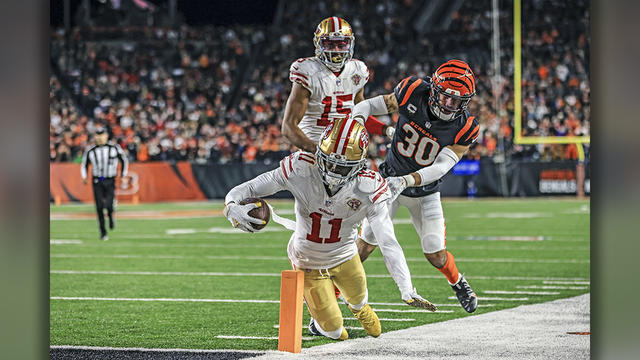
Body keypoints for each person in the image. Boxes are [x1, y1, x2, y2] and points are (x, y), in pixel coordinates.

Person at [224, 117, 436, 341]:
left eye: (342, 166)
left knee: (360, 301)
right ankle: (322, 323)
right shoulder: (301, 168)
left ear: (358, 165)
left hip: (345, 256)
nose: (333, 170)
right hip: (307, 261)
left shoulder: (368, 188)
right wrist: (230, 207)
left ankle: (359, 308)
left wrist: (406, 287)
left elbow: (388, 242)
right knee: (336, 332)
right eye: (329, 162)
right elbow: (250, 186)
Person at [350, 59, 480, 313]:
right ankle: (330, 301)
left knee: (435, 254)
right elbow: (367, 106)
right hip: (387, 184)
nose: (449, 105)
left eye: (456, 101)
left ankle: (458, 282)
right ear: (433, 89)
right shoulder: (412, 90)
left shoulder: (465, 126)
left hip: (425, 192)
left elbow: (441, 167)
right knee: (364, 245)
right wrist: (357, 125)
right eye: (444, 97)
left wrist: (407, 180)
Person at [281, 16, 394, 154]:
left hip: (346, 154)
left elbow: (360, 115)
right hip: (311, 154)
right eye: (329, 44)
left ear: (350, 44)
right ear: (318, 44)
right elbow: (288, 127)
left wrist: (387, 130)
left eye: (341, 45)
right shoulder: (307, 71)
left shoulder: (357, 70)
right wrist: (317, 151)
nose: (335, 50)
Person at [81, 128, 129, 240]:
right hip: (98, 179)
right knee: (99, 207)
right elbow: (84, 164)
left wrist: (123, 175)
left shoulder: (114, 148)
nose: (99, 137)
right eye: (97, 135)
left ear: (106, 135)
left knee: (108, 204)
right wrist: (84, 176)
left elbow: (124, 160)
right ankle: (103, 232)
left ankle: (111, 215)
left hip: (110, 179)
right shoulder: (90, 150)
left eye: (101, 134)